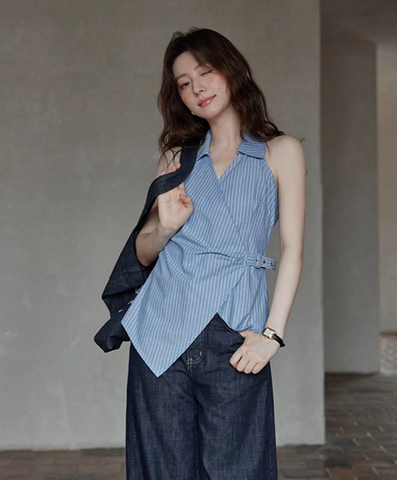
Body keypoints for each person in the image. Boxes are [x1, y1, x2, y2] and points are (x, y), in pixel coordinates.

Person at [120, 27, 306, 480]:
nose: (197, 88)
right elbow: (143, 252)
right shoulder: (177, 158)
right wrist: (165, 227)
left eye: (205, 72)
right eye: (184, 83)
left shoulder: (280, 152)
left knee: (239, 469)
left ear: (232, 70)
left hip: (234, 336)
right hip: (160, 332)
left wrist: (272, 335)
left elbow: (293, 248)